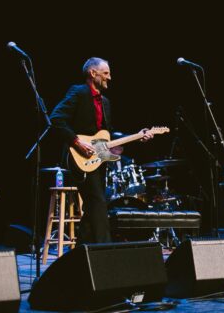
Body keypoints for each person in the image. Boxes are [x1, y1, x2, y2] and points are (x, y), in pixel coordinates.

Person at [49, 57, 153, 244]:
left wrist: (137, 136)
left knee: (93, 205)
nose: (109, 77)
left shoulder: (105, 102)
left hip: (98, 159)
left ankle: (82, 251)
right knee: (98, 202)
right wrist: (77, 142)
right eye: (106, 73)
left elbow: (107, 135)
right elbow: (56, 119)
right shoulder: (78, 92)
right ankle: (105, 249)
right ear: (92, 73)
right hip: (78, 156)